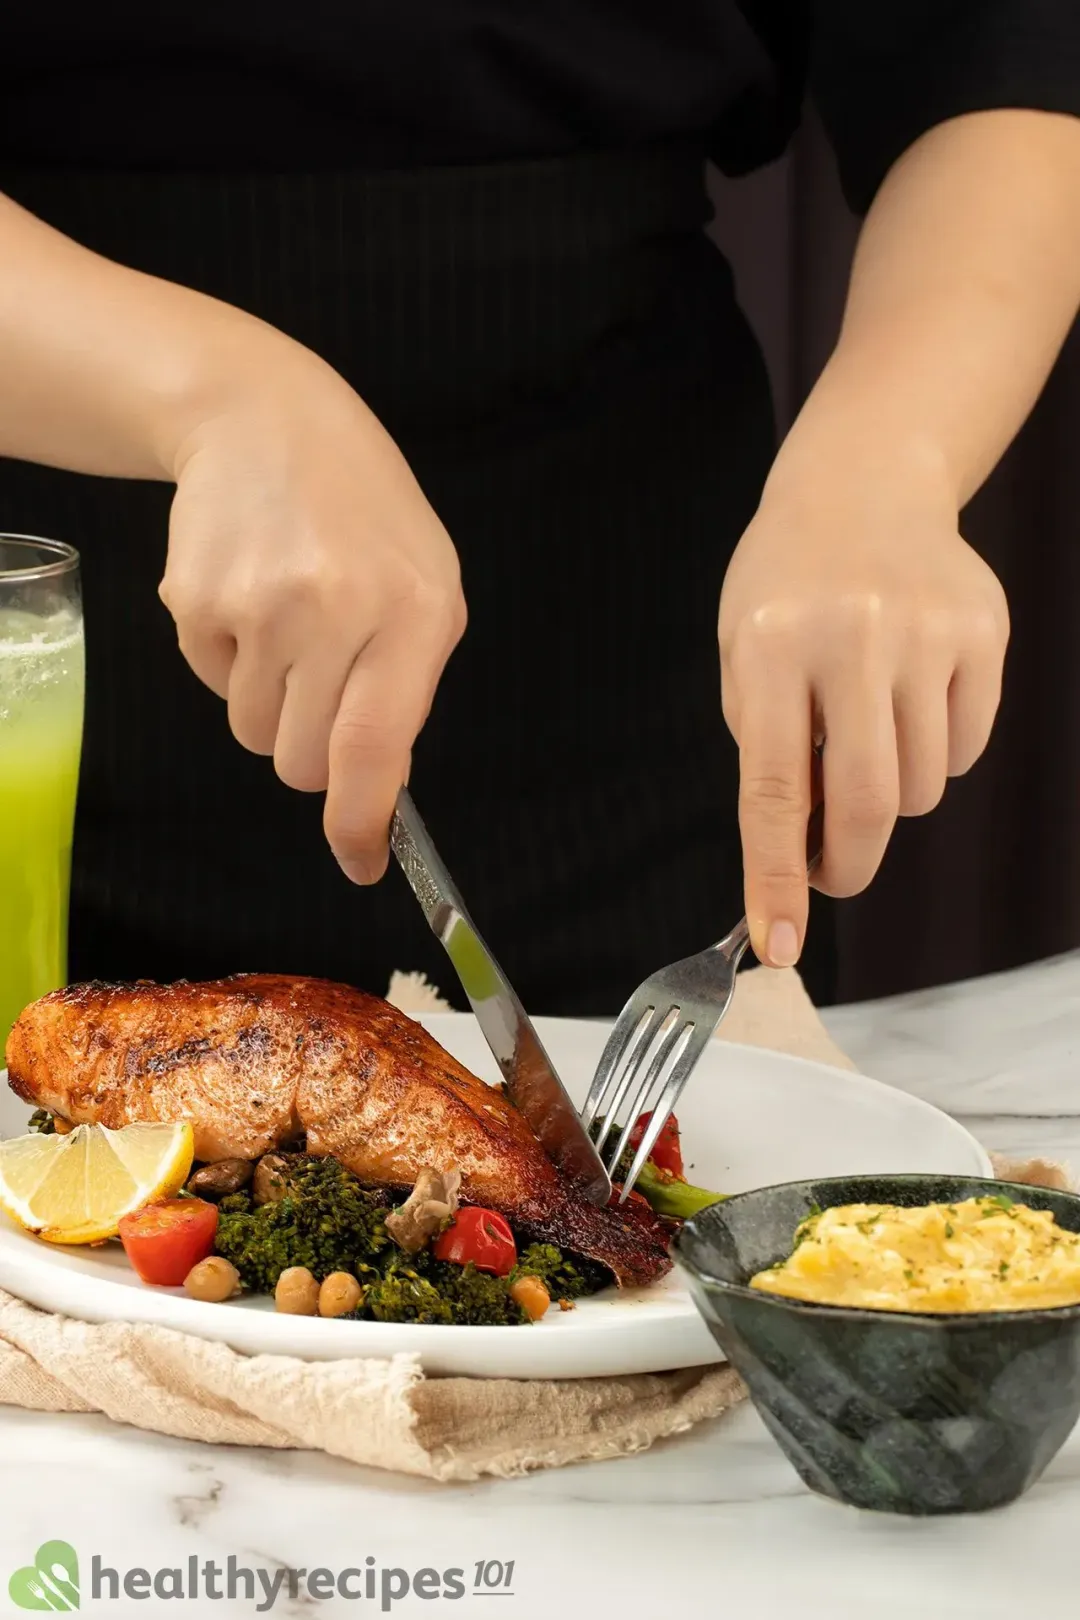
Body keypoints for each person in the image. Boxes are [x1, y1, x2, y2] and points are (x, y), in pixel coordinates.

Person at [0, 5, 1077, 1016]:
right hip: (55, 623)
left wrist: (887, 463)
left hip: (629, 650)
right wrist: (208, 398)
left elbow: (1001, 59)